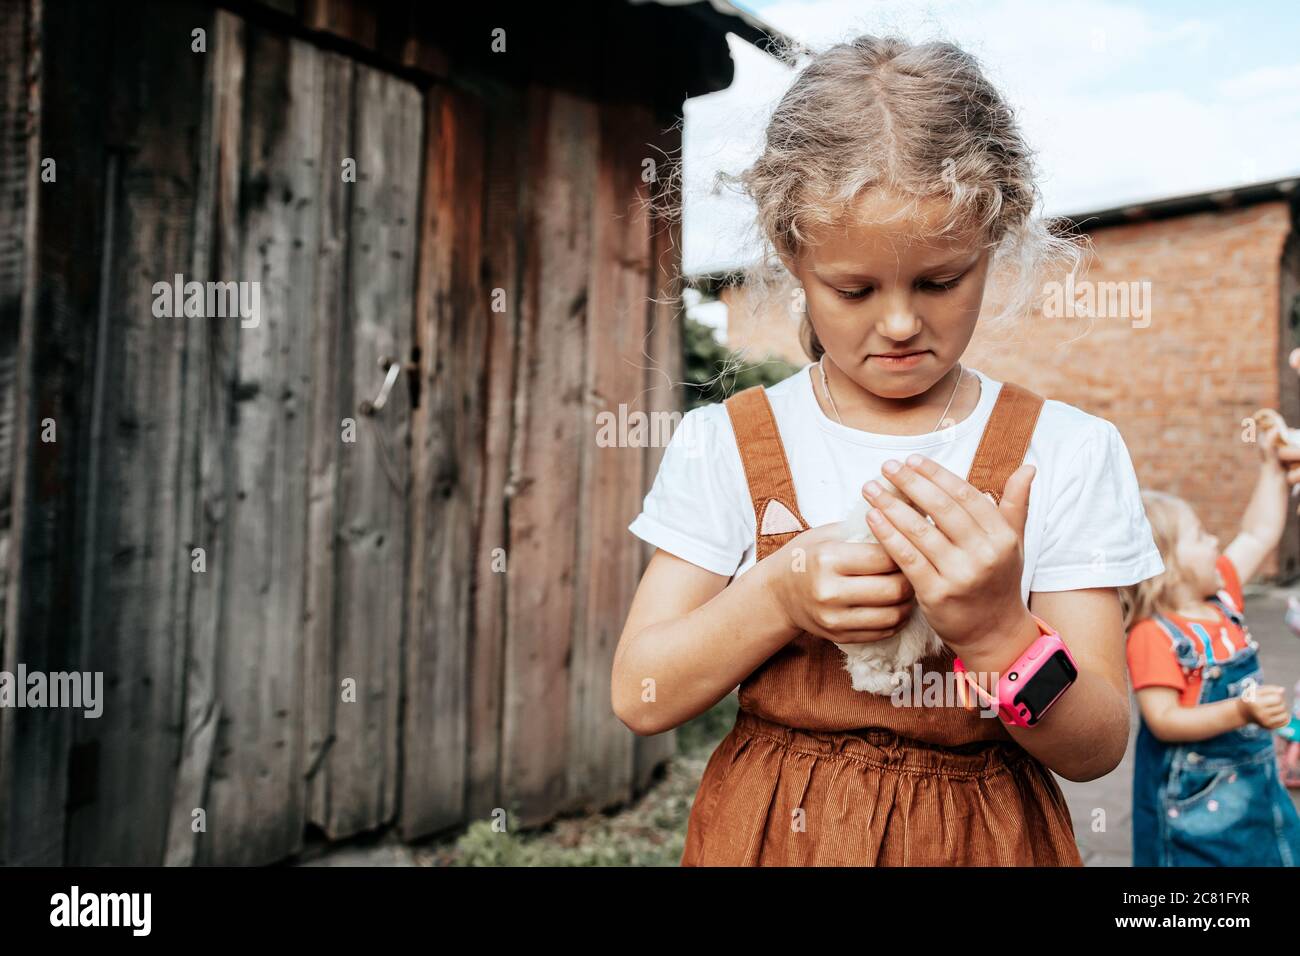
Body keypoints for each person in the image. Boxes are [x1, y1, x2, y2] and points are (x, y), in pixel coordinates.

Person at [610, 35, 1164, 866]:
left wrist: (998, 632)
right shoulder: (724, 443)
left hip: (987, 840)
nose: (901, 323)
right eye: (855, 289)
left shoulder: (1070, 452)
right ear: (792, 256)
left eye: (940, 281)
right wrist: (778, 596)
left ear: (995, 240)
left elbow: (1096, 748)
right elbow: (640, 693)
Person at [1121, 417, 1300, 866]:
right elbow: (1163, 720)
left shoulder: (1222, 598)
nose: (1215, 540)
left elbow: (1258, 533)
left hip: (1256, 794)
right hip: (1194, 811)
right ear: (1169, 567)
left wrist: (1270, 466)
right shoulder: (1152, 634)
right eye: (1200, 537)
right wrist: (1241, 711)